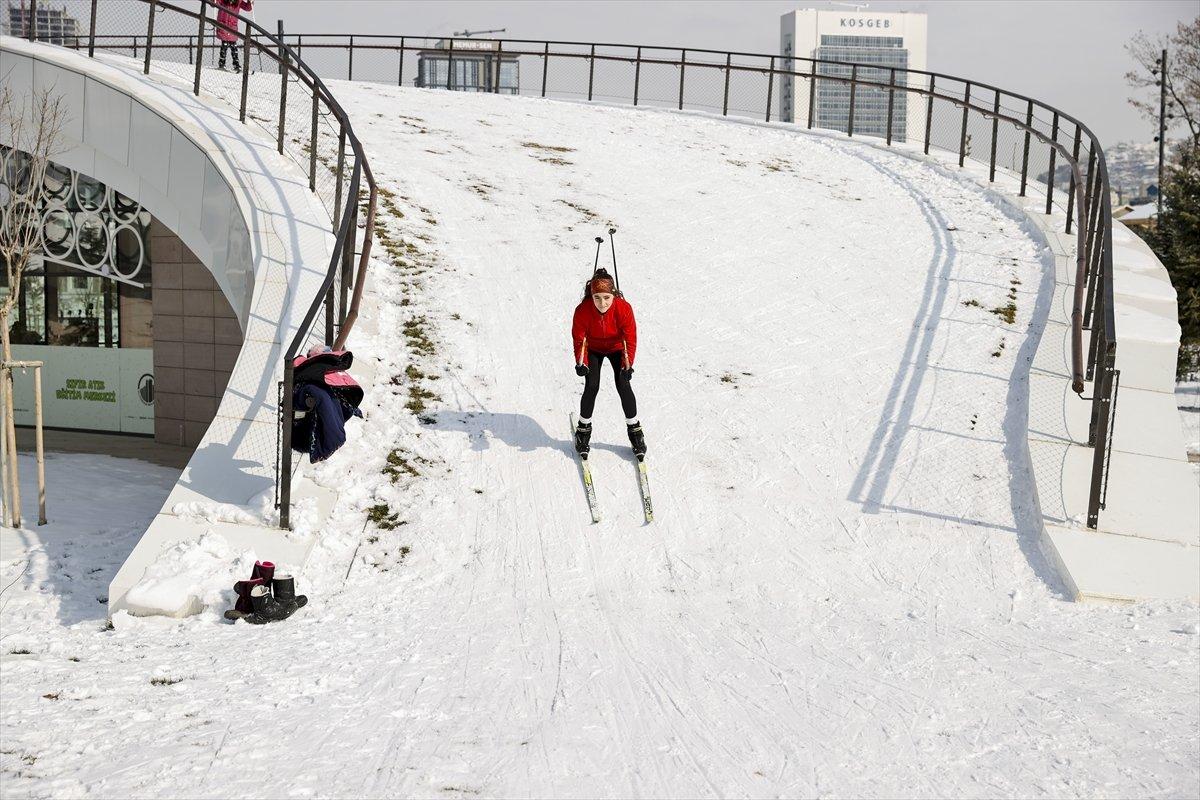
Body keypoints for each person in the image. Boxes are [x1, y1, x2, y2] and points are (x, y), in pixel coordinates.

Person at [571, 268, 646, 459]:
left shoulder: (623, 308)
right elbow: (579, 338)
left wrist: (627, 365)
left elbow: (630, 337)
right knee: (592, 385)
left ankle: (635, 431)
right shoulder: (583, 310)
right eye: (597, 297)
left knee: (623, 384)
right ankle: (583, 430)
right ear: (592, 295)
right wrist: (582, 362)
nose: (602, 303)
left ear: (613, 295)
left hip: (616, 348)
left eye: (606, 297)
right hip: (593, 348)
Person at [215, 0, 253, 72]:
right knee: (224, 44)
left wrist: (249, 2)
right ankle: (222, 63)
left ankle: (236, 65)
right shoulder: (222, 1)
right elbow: (214, 3)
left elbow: (247, 8)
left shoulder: (238, 2)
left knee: (233, 45)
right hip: (223, 25)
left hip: (232, 26)